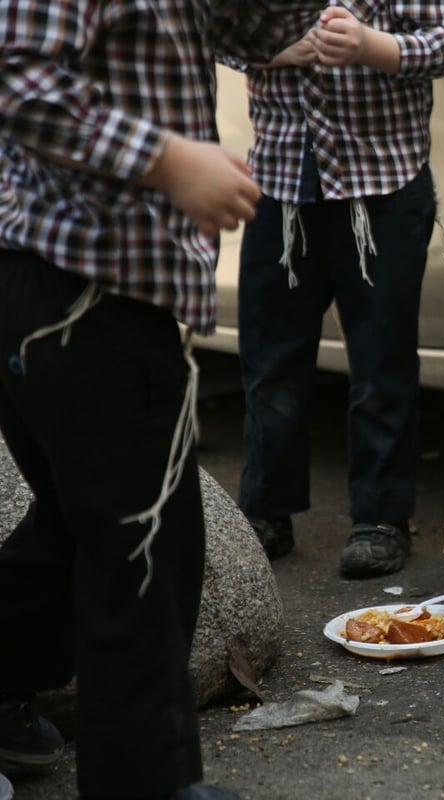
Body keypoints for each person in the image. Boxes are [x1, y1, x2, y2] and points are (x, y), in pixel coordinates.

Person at [0, 3, 283, 799]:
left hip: (99, 293)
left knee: (74, 528)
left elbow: (257, 34)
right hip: (75, 291)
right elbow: (15, 74)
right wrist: (166, 159)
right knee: (147, 550)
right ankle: (142, 784)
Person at [225, 1, 444, 578]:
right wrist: (279, 47)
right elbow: (219, 32)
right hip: (281, 183)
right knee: (270, 357)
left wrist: (369, 45)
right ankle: (266, 508)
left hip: (381, 182)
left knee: (381, 358)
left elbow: (443, 44)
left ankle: (381, 516)